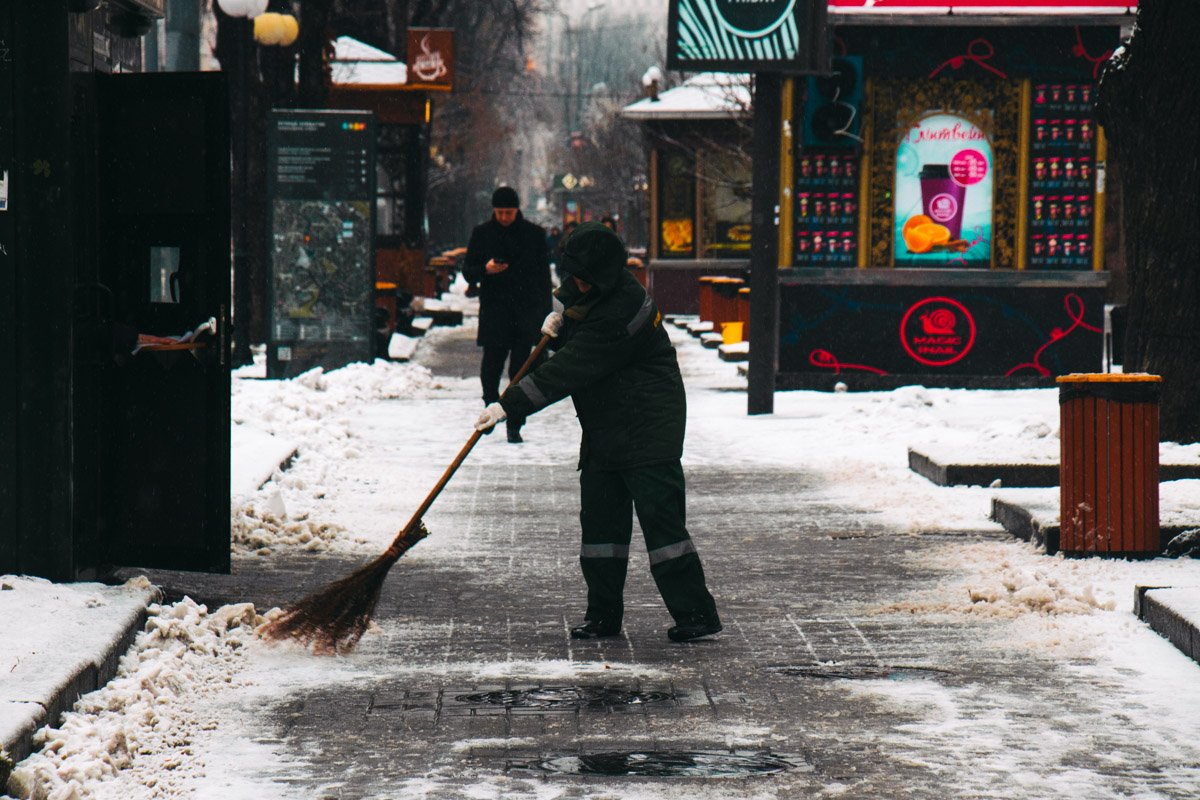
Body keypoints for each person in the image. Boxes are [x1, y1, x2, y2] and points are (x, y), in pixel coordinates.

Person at [473, 222, 722, 643]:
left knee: (663, 529)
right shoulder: (596, 292)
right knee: (600, 528)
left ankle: (696, 613)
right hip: (607, 424)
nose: (577, 283)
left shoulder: (622, 310)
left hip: (647, 427)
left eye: (583, 277)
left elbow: (571, 367)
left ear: (602, 274)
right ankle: (603, 615)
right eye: (573, 275)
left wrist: (508, 405)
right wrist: (560, 327)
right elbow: (576, 330)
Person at [463, 187, 552, 443]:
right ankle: (490, 408)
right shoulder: (482, 234)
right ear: (493, 210)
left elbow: (544, 280)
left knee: (520, 371)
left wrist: (545, 317)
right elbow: (468, 271)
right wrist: (486, 269)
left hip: (525, 312)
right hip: (495, 311)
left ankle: (515, 422)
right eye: (500, 212)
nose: (504, 217)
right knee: (491, 367)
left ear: (517, 210)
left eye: (508, 213)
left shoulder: (534, 235)